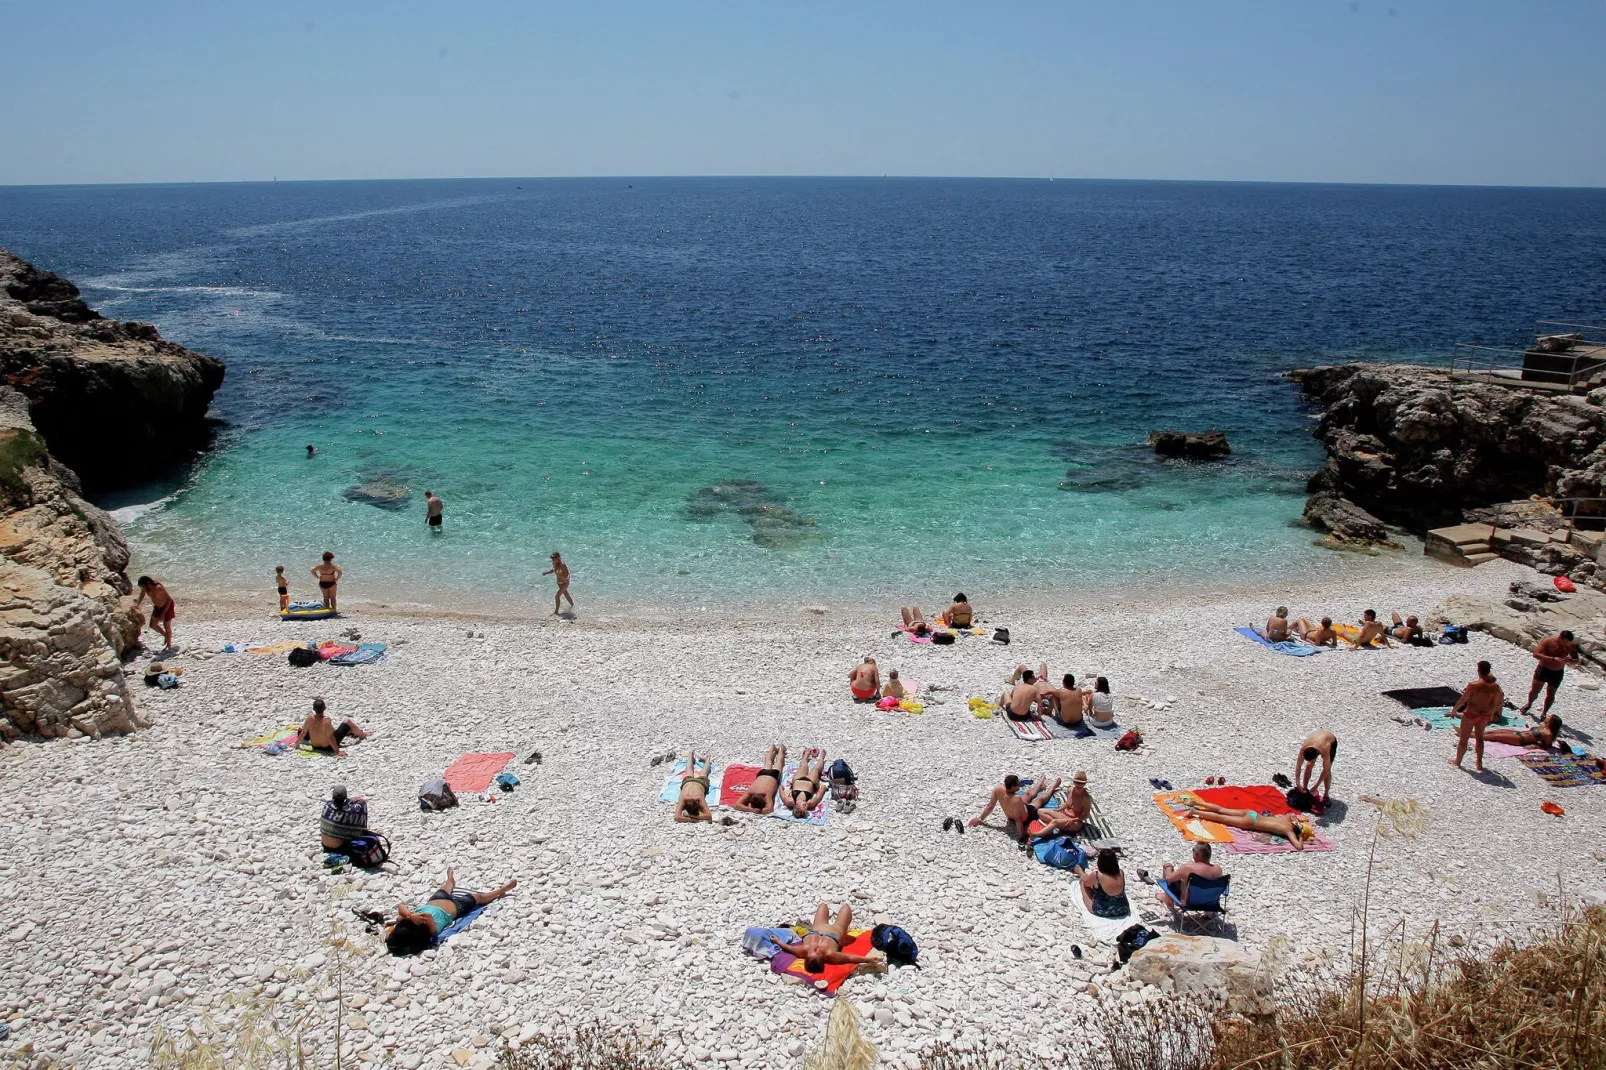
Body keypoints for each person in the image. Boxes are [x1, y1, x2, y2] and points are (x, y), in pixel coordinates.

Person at [385, 868, 517, 956]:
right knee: (478, 898)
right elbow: (428, 916)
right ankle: (501, 890)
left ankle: (450, 879)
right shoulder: (432, 930)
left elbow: (400, 906)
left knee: (446, 888)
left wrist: (410, 915)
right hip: (456, 907)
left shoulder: (410, 919)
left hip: (435, 900)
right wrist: (414, 917)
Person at [773, 904, 881, 974]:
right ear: (823, 957)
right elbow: (849, 958)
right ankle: (844, 937)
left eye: (812, 951)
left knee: (823, 906)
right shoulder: (830, 954)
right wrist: (869, 960)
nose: (815, 948)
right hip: (835, 931)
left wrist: (777, 941)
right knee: (846, 908)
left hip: (817, 927)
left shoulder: (804, 950)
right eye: (817, 952)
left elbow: (788, 948)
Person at [1185, 799, 1315, 850]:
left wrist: (1299, 821)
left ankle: (1196, 803)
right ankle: (1195, 811)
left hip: (1254, 814)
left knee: (1221, 809)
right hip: (1252, 822)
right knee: (1221, 818)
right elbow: (1299, 847)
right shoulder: (1289, 831)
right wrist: (1300, 838)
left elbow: (1291, 815)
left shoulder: (1287, 820)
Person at [968, 773, 1060, 840]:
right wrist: (1022, 835)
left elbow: (990, 806)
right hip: (1026, 815)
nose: (1019, 785)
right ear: (1012, 787)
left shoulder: (999, 789)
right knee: (1040, 799)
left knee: (1027, 794)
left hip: (1016, 809)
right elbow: (1018, 819)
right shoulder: (1016, 799)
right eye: (1018, 784)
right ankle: (1053, 787)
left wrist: (980, 819)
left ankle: (1040, 783)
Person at [1451, 660, 1505, 773]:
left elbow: (1463, 700)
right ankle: (1479, 763)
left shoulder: (1474, 685)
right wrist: (1491, 714)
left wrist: (1454, 710)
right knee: (1479, 739)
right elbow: (1496, 702)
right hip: (1484, 715)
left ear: (1478, 670)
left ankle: (1458, 761)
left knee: (1464, 739)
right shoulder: (1495, 687)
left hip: (1471, 714)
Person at [1521, 631, 1580, 718]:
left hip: (1557, 672)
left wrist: (1569, 661)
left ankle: (1544, 712)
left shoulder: (1570, 646)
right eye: (1564, 642)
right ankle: (1529, 703)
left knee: (1551, 694)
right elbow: (1536, 654)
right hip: (1543, 669)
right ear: (1560, 637)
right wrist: (1552, 659)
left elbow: (1576, 660)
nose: (1565, 644)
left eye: (1567, 642)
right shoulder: (1549, 641)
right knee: (1535, 690)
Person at [292, 698, 369, 756]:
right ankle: (362, 735)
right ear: (324, 708)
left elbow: (304, 732)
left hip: (315, 746)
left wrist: (297, 744)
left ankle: (352, 733)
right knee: (347, 721)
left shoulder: (309, 718)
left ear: (313, 709)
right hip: (328, 747)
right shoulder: (326, 720)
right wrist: (337, 751)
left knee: (332, 730)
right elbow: (330, 737)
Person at [1157, 843, 1224, 904]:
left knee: (1169, 872)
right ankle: (1208, 913)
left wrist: (1169, 867)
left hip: (1189, 903)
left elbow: (1168, 879)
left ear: (1196, 854)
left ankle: (1168, 900)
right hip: (1210, 903)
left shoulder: (1187, 868)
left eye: (1193, 850)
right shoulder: (1218, 869)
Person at [1073, 849, 1131, 919]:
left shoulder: (1097, 875)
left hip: (1103, 910)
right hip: (1123, 909)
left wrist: (1080, 872)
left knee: (1083, 883)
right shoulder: (1121, 873)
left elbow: (1086, 883)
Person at [732, 744, 786, 814]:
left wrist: (752, 810)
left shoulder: (765, 795)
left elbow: (769, 809)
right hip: (762, 774)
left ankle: (780, 749)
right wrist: (753, 810)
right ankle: (774, 748)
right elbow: (736, 805)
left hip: (773, 776)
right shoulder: (751, 792)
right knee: (768, 762)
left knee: (778, 763)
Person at [1038, 770, 1092, 835]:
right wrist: (1058, 809)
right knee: (1040, 811)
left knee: (1055, 821)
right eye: (1077, 782)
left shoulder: (1086, 798)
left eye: (1082, 783)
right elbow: (1067, 804)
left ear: (1085, 784)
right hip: (1064, 815)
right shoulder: (1070, 790)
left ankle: (1036, 835)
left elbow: (1085, 815)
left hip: (1075, 822)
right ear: (1074, 782)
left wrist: (1073, 820)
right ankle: (1057, 826)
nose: (1079, 785)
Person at [778, 747, 828, 818]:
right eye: (806, 808)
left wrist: (780, 788)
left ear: (797, 805)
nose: (806, 805)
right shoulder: (810, 803)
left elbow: (782, 795)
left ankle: (806, 755)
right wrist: (823, 789)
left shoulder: (790, 801)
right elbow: (818, 797)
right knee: (816, 770)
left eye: (804, 805)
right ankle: (822, 757)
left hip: (798, 780)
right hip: (811, 782)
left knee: (803, 767)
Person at [320, 784, 371, 851]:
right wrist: (357, 801)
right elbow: (361, 805)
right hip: (339, 847)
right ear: (345, 796)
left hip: (325, 844)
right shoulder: (349, 811)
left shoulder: (327, 806)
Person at [1294, 729, 1338, 802]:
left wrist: (1316, 786)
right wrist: (1298, 783)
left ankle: (1326, 794)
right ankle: (1305, 788)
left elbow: (1325, 770)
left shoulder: (1325, 749)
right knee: (1309, 765)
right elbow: (1298, 766)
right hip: (1316, 739)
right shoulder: (1304, 749)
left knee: (1328, 770)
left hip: (1330, 740)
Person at [134, 576, 177, 649]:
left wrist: (163, 612)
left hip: (167, 606)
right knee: (152, 625)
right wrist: (137, 604)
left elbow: (169, 600)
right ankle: (165, 635)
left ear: (148, 583)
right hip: (157, 607)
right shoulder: (146, 588)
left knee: (166, 625)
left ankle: (169, 645)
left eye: (143, 586)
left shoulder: (158, 587)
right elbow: (142, 595)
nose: (143, 588)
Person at [1483, 713, 1564, 750]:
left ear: (1552, 721)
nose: (1547, 717)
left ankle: (1470, 735)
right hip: (1517, 733)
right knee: (1491, 732)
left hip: (1521, 739)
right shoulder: (1543, 726)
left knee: (1492, 736)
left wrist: (1535, 746)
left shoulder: (1548, 734)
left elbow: (1546, 746)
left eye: (1549, 717)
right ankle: (1471, 733)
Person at [674, 750, 714, 823]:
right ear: (697, 802)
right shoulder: (698, 798)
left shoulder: (684, 798)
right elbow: (708, 816)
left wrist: (690, 816)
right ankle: (704, 758)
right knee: (695, 772)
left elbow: (677, 817)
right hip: (690, 782)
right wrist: (694, 817)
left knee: (699, 773)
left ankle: (691, 755)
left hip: (697, 783)